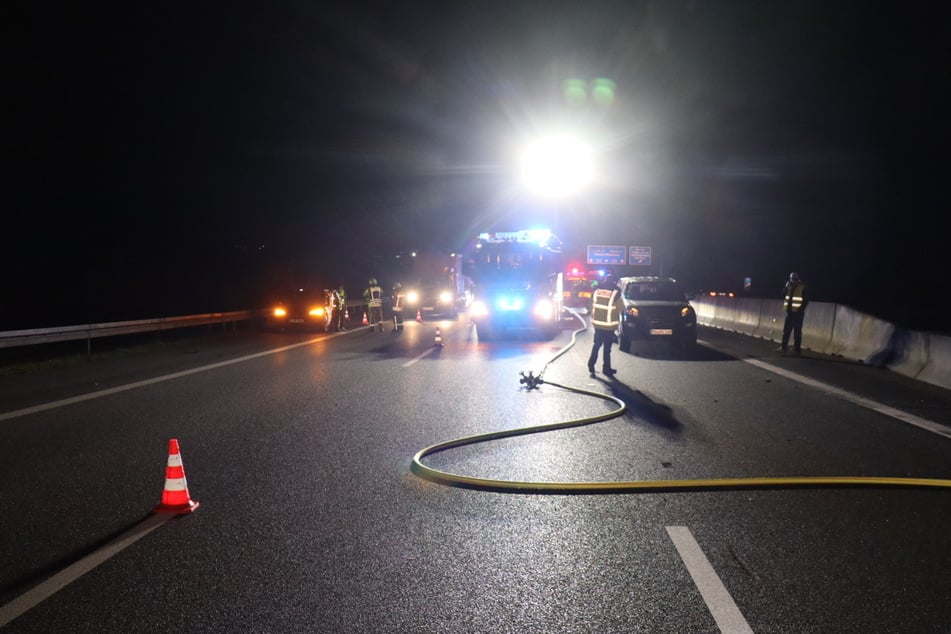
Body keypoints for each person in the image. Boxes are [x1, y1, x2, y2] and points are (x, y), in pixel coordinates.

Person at [588, 273, 625, 376]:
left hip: (598, 325)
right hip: (609, 326)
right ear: (613, 282)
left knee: (596, 345)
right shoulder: (616, 292)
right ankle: (606, 368)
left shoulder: (596, 290)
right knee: (607, 348)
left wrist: (596, 315)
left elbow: (589, 305)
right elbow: (620, 308)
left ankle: (591, 364)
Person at [778, 271, 809, 354]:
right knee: (786, 331)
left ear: (797, 279)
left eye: (794, 279)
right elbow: (782, 295)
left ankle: (797, 349)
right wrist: (785, 287)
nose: (793, 280)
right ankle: (784, 347)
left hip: (798, 313)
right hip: (790, 313)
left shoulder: (802, 287)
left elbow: (805, 301)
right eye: (792, 279)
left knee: (797, 332)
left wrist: (800, 310)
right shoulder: (789, 287)